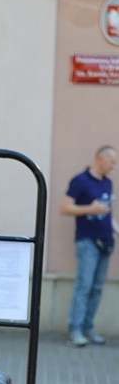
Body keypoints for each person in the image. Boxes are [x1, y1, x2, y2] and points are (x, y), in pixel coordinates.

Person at [60, 145, 119, 347]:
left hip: (105, 241)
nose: (113, 166)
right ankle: (74, 331)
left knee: (96, 288)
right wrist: (90, 209)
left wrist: (115, 230)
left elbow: (107, 213)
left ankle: (88, 329)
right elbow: (65, 208)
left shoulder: (108, 184)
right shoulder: (80, 180)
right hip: (87, 241)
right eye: (112, 161)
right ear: (100, 158)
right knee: (83, 287)